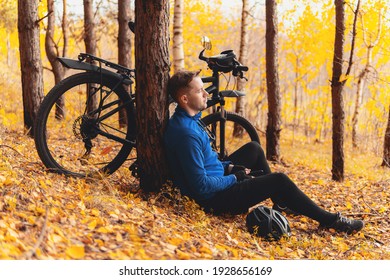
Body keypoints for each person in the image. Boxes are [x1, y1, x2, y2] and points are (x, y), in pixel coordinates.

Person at [163, 70, 364, 234]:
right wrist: (234, 177)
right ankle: (331, 220)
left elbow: (208, 163)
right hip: (214, 199)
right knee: (279, 180)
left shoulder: (190, 120)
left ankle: (283, 201)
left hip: (218, 180)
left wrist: (229, 167)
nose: (206, 94)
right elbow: (201, 187)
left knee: (254, 149)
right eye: (199, 91)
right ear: (184, 99)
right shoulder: (186, 134)